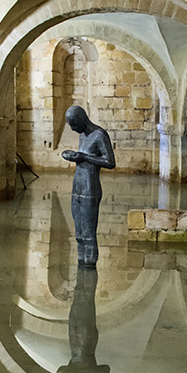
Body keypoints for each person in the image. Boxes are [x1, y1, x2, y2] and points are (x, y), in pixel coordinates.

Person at [60, 105, 115, 267]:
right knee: (79, 234)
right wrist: (76, 157)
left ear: (82, 120)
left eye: (74, 125)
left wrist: (84, 156)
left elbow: (110, 162)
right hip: (77, 187)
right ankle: (81, 264)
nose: (72, 129)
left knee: (89, 234)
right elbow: (83, 157)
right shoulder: (82, 134)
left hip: (90, 188)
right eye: (70, 125)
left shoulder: (99, 135)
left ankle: (89, 267)